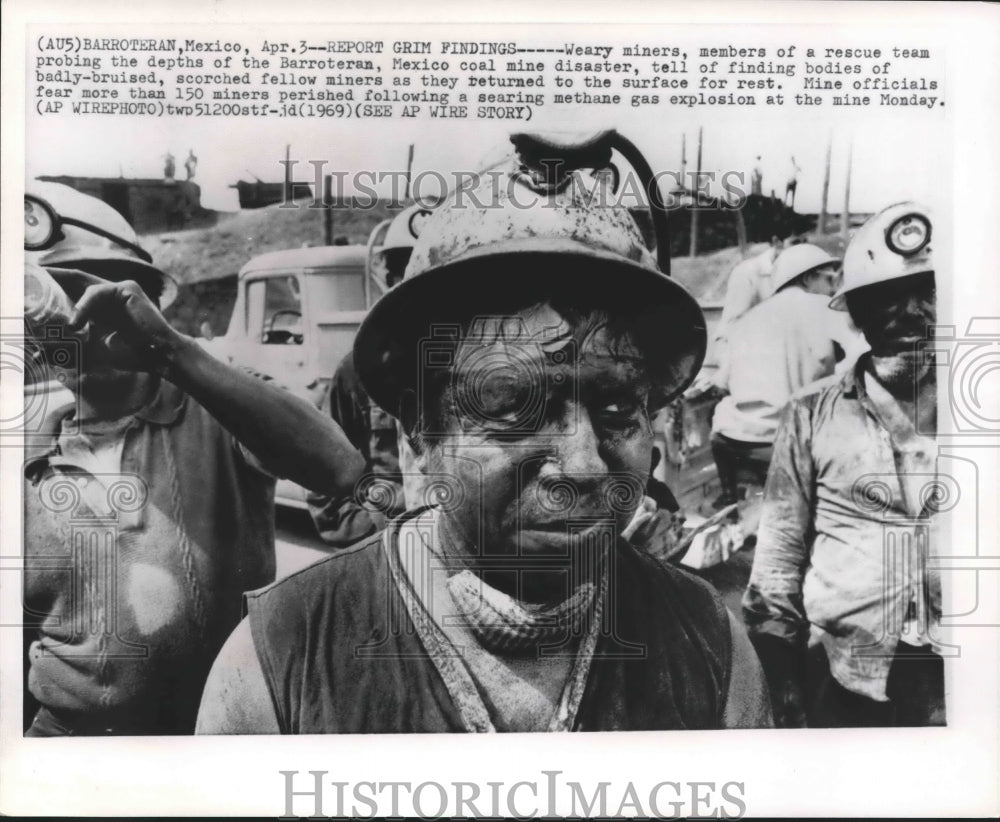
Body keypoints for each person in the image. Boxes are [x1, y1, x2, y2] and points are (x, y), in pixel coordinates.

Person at [196, 131, 773, 733]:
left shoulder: (711, 646)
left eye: (617, 408)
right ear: (419, 431)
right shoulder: (284, 659)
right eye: (517, 407)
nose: (584, 465)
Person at [22, 182, 364, 735]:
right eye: (47, 304)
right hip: (66, 735)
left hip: (215, 727)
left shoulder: (217, 409)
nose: (73, 323)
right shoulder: (32, 452)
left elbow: (339, 469)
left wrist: (171, 353)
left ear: (143, 305)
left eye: (91, 295)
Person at [743, 202, 944, 728]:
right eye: (886, 297)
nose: (910, 313)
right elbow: (779, 551)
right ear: (856, 311)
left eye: (928, 292)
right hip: (842, 670)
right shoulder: (811, 412)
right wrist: (778, 668)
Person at [710, 243, 866, 506]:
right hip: (783, 442)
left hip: (730, 439)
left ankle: (735, 508)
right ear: (807, 278)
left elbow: (722, 381)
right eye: (829, 280)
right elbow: (859, 358)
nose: (833, 289)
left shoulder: (749, 318)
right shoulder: (822, 306)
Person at [306, 203, 424, 547]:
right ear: (388, 281)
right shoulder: (359, 371)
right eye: (407, 273)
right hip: (395, 555)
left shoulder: (482, 368)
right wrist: (375, 534)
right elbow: (323, 479)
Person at [710, 236, 783, 377]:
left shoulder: (801, 269)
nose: (800, 248)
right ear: (777, 242)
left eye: (804, 242)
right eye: (795, 242)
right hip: (740, 352)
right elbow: (733, 325)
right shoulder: (748, 271)